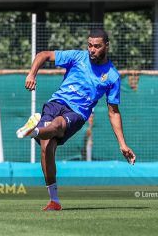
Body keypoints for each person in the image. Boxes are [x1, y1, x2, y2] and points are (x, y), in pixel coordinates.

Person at [16, 29, 136, 211]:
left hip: (77, 113)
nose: (92, 50)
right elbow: (44, 54)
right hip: (56, 102)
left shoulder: (112, 76)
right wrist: (32, 74)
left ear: (106, 46)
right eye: (89, 45)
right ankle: (54, 201)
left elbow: (113, 112)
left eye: (97, 46)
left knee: (56, 126)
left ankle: (34, 130)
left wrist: (122, 144)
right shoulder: (77, 57)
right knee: (46, 148)